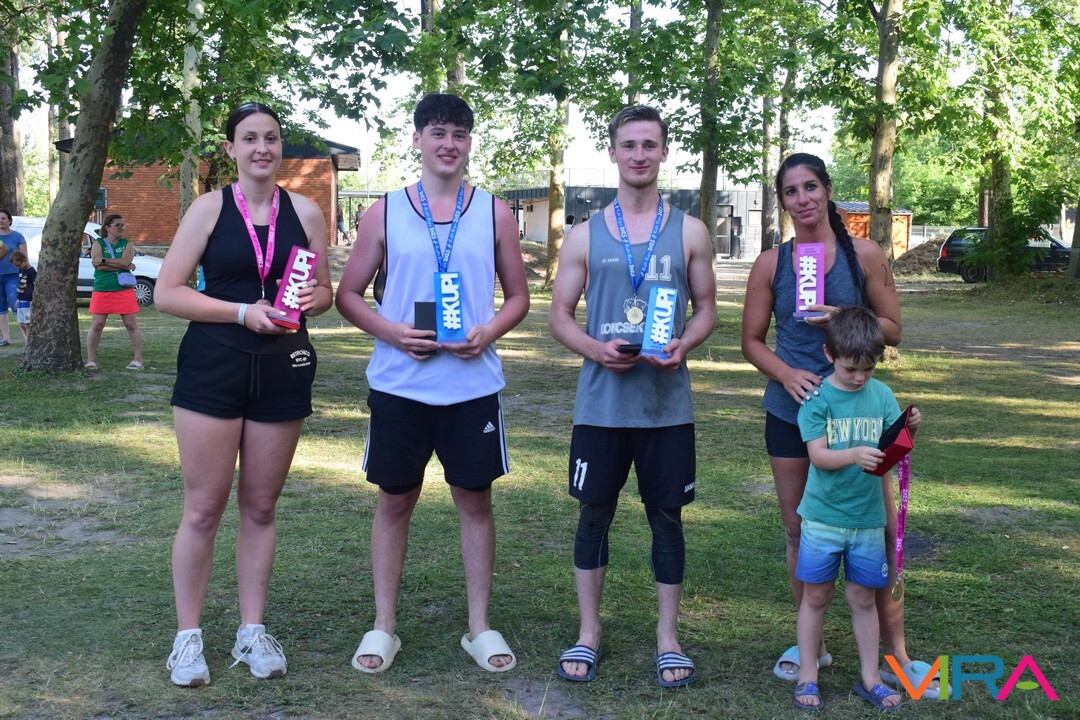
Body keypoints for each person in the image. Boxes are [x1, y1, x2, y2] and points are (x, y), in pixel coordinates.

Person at [336, 93, 529, 676]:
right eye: (438, 132)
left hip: (471, 386)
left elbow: (518, 297)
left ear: (470, 143)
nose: (449, 144)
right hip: (400, 385)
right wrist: (393, 332)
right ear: (417, 139)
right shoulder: (385, 211)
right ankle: (383, 625)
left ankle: (479, 627)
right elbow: (348, 295)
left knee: (475, 500)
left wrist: (488, 331)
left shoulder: (494, 212)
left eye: (459, 134)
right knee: (395, 500)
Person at [741, 153, 938, 697]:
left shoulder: (865, 255)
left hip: (860, 417)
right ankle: (813, 647)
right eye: (791, 191)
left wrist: (845, 317)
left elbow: (894, 328)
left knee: (879, 529)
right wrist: (787, 374)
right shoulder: (771, 264)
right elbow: (751, 341)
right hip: (792, 412)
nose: (802, 199)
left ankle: (896, 656)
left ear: (827, 190)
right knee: (799, 529)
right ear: (782, 201)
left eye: (811, 187)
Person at [155, 101, 333, 687]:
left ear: (281, 147)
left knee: (260, 508)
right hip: (214, 368)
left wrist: (314, 299)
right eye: (250, 138)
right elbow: (167, 292)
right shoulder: (209, 208)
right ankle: (187, 638)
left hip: (282, 369)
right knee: (204, 508)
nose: (262, 148)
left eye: (272, 138)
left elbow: (324, 291)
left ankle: (251, 631)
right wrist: (239, 312)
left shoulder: (306, 211)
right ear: (230, 149)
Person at [549, 105, 717, 688]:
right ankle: (588, 633)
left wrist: (684, 343)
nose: (639, 155)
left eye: (649, 144)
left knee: (666, 520)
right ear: (613, 152)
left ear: (664, 151)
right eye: (629, 145)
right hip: (601, 406)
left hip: (666, 407)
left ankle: (668, 638)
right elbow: (560, 316)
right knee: (593, 516)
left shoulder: (690, 230)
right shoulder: (584, 235)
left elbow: (707, 309)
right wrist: (595, 350)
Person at [791, 306, 919, 711]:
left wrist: (909, 430)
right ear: (829, 354)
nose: (860, 377)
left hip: (867, 520)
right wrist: (853, 454)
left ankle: (870, 678)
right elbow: (818, 456)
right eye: (850, 369)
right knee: (816, 596)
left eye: (868, 368)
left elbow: (893, 451)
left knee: (864, 598)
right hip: (823, 519)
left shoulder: (882, 395)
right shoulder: (817, 399)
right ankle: (808, 674)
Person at [85, 214, 144, 370]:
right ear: (108, 227)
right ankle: (90, 360)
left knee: (131, 324)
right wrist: (120, 264)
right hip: (102, 288)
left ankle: (138, 360)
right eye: (118, 225)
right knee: (97, 325)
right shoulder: (98, 243)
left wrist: (105, 261)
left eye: (123, 225)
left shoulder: (127, 244)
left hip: (123, 289)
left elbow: (125, 261)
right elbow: (97, 264)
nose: (121, 228)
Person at [0, 208, 28, 347]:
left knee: (17, 306)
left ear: (10, 220)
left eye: (3, 218)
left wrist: (24, 275)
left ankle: (27, 338)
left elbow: (24, 258)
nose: (1, 220)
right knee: (1, 308)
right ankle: (6, 338)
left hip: (13, 276)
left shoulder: (18, 236)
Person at [10, 250, 35, 343]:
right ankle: (27, 341)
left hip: (28, 301)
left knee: (27, 324)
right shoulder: (21, 270)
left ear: (25, 261)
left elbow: (35, 285)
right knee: (21, 323)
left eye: (18, 265)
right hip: (20, 301)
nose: (17, 267)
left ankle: (29, 343)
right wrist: (17, 300)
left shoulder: (31, 271)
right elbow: (20, 285)